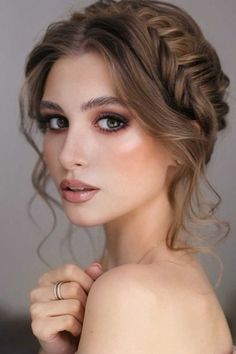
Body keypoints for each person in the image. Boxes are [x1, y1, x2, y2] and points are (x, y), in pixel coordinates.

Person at [19, 0, 235, 353]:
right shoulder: (173, 288)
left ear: (184, 143)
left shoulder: (130, 296)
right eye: (57, 121)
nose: (69, 155)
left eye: (110, 121)